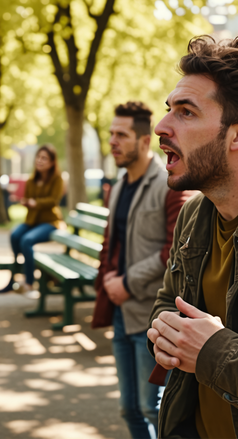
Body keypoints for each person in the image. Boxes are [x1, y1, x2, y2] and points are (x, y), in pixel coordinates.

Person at [147, 36, 238, 439]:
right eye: (169, 111)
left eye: (186, 112)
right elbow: (169, 301)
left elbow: (205, 347)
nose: (162, 127)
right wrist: (161, 335)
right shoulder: (194, 214)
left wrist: (212, 352)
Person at [91, 101, 195, 439]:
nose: (112, 142)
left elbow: (174, 249)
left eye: (121, 135)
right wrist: (106, 281)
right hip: (122, 312)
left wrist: (127, 282)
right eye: (111, 134)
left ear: (144, 141)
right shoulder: (119, 185)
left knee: (155, 408)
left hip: (153, 315)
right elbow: (111, 242)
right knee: (130, 409)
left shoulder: (171, 183)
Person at [0, 144, 64, 298]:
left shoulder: (57, 179)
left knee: (27, 241)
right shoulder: (31, 180)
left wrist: (36, 203)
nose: (40, 161)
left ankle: (29, 282)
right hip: (32, 220)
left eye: (44, 158)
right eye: (38, 157)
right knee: (15, 235)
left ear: (52, 162)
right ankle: (14, 277)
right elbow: (28, 199)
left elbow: (54, 201)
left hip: (49, 222)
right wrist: (25, 201)